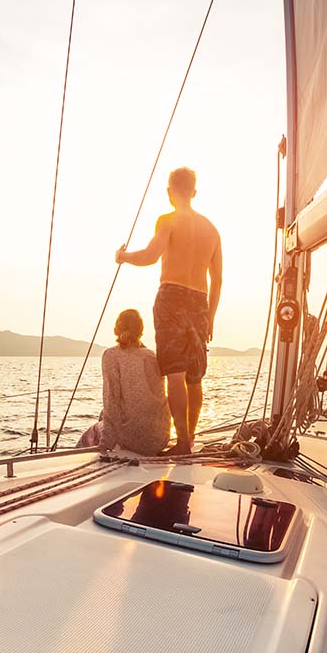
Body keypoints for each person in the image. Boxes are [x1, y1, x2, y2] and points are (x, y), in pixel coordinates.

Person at [115, 167, 222, 454]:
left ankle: (183, 442)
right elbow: (218, 279)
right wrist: (210, 315)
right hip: (200, 302)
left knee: (175, 374)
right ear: (195, 192)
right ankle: (190, 437)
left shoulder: (168, 220)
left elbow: (150, 256)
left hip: (172, 297)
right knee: (195, 376)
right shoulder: (212, 230)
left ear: (169, 191)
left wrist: (123, 256)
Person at [77, 309, 170, 455]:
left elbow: (111, 401)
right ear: (141, 331)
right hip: (159, 439)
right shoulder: (151, 356)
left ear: (116, 329)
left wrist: (106, 443)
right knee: (105, 415)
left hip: (131, 441)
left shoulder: (111, 355)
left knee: (92, 431)